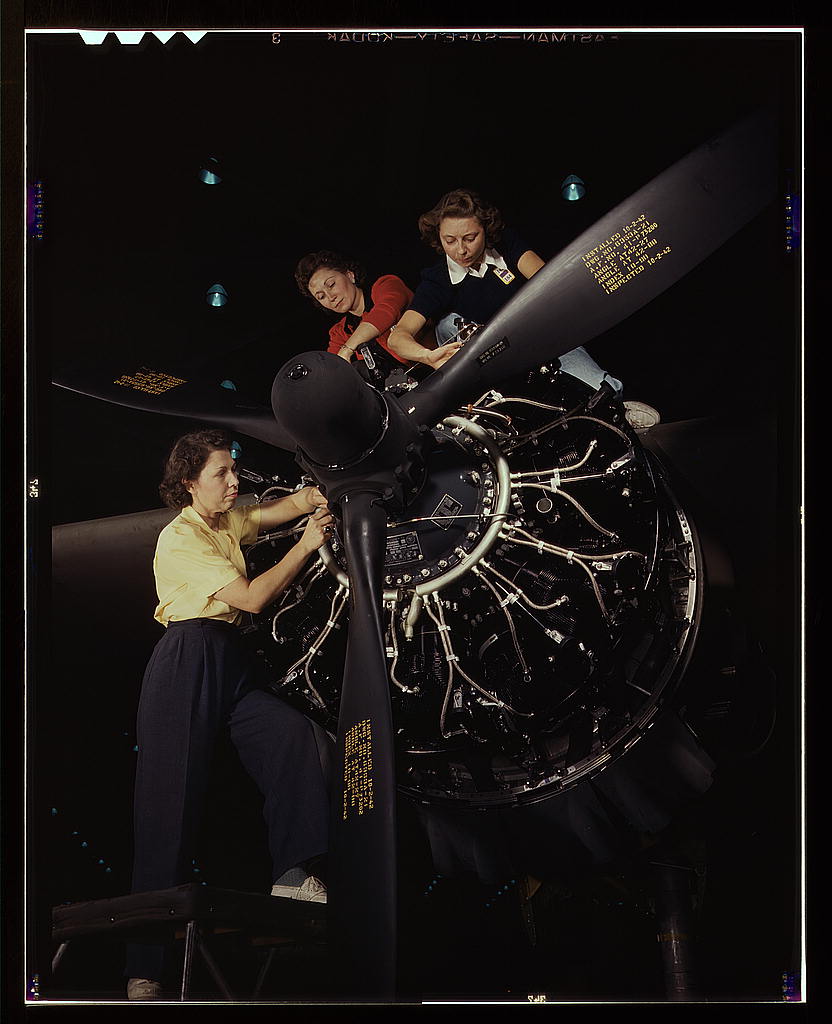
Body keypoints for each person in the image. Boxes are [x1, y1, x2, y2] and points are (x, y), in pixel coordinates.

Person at [125, 428, 335, 1001]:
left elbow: (281, 509)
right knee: (168, 806)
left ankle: (293, 875)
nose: (233, 483)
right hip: (186, 659)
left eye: (233, 472)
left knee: (293, 735)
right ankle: (145, 967)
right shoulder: (181, 537)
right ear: (190, 482)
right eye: (221, 474)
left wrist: (324, 491)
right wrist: (307, 542)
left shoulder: (227, 522)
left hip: (231, 661)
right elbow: (251, 598)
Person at [387, 188, 623, 392]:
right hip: (494, 364)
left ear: (486, 230)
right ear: (438, 236)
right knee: (447, 323)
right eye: (450, 240)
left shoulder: (507, 245)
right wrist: (427, 356)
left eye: (470, 238)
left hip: (542, 339)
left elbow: (550, 282)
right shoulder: (437, 280)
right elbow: (397, 338)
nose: (461, 250)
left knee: (607, 390)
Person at [294, 251, 440, 383]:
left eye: (331, 285)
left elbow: (385, 312)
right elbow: (332, 370)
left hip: (440, 367)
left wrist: (347, 349)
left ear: (349, 275)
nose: (330, 297)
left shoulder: (386, 285)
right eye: (321, 296)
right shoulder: (340, 333)